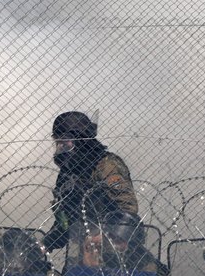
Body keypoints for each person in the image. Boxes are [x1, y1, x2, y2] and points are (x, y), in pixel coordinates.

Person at [40, 111, 141, 266]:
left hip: (111, 252)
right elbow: (65, 220)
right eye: (57, 142)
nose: (60, 147)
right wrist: (45, 244)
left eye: (65, 142)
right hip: (83, 249)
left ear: (81, 141)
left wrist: (105, 235)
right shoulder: (67, 174)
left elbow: (128, 207)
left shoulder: (105, 165)